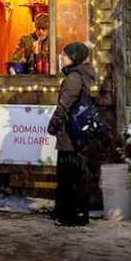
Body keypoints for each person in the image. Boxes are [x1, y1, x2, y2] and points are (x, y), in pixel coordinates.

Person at [47, 41, 95, 226]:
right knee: (70, 174)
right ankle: (66, 211)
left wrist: (52, 125)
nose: (61, 58)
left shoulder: (73, 78)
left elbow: (63, 106)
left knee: (69, 175)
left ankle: (73, 214)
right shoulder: (79, 75)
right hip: (75, 134)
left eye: (64, 56)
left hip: (70, 134)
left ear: (73, 58)